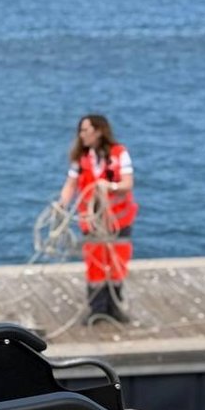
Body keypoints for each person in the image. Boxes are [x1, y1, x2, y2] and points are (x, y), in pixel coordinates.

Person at [56, 114, 138, 324]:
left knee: (117, 263)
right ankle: (97, 308)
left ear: (99, 131)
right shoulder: (80, 158)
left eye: (85, 130)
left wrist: (110, 186)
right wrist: (62, 204)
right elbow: (71, 184)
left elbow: (128, 183)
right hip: (92, 222)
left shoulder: (120, 154)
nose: (81, 135)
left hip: (119, 220)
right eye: (80, 131)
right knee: (95, 263)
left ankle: (114, 306)